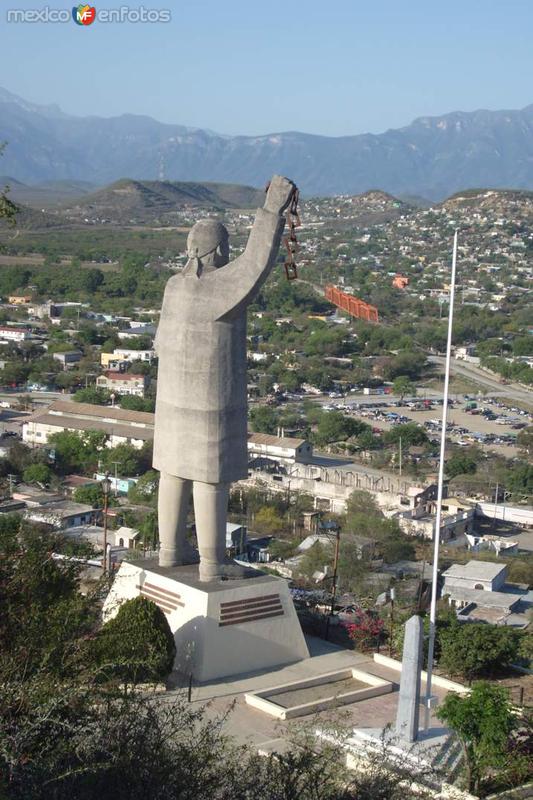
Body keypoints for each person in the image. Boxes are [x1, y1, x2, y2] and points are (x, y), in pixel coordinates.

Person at [153, 175, 296, 580]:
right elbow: (255, 264)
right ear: (217, 250)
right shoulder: (217, 290)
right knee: (209, 479)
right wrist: (273, 209)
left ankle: (169, 551)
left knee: (173, 473)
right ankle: (211, 563)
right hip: (209, 402)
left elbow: (159, 343)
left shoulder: (174, 286)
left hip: (170, 403)